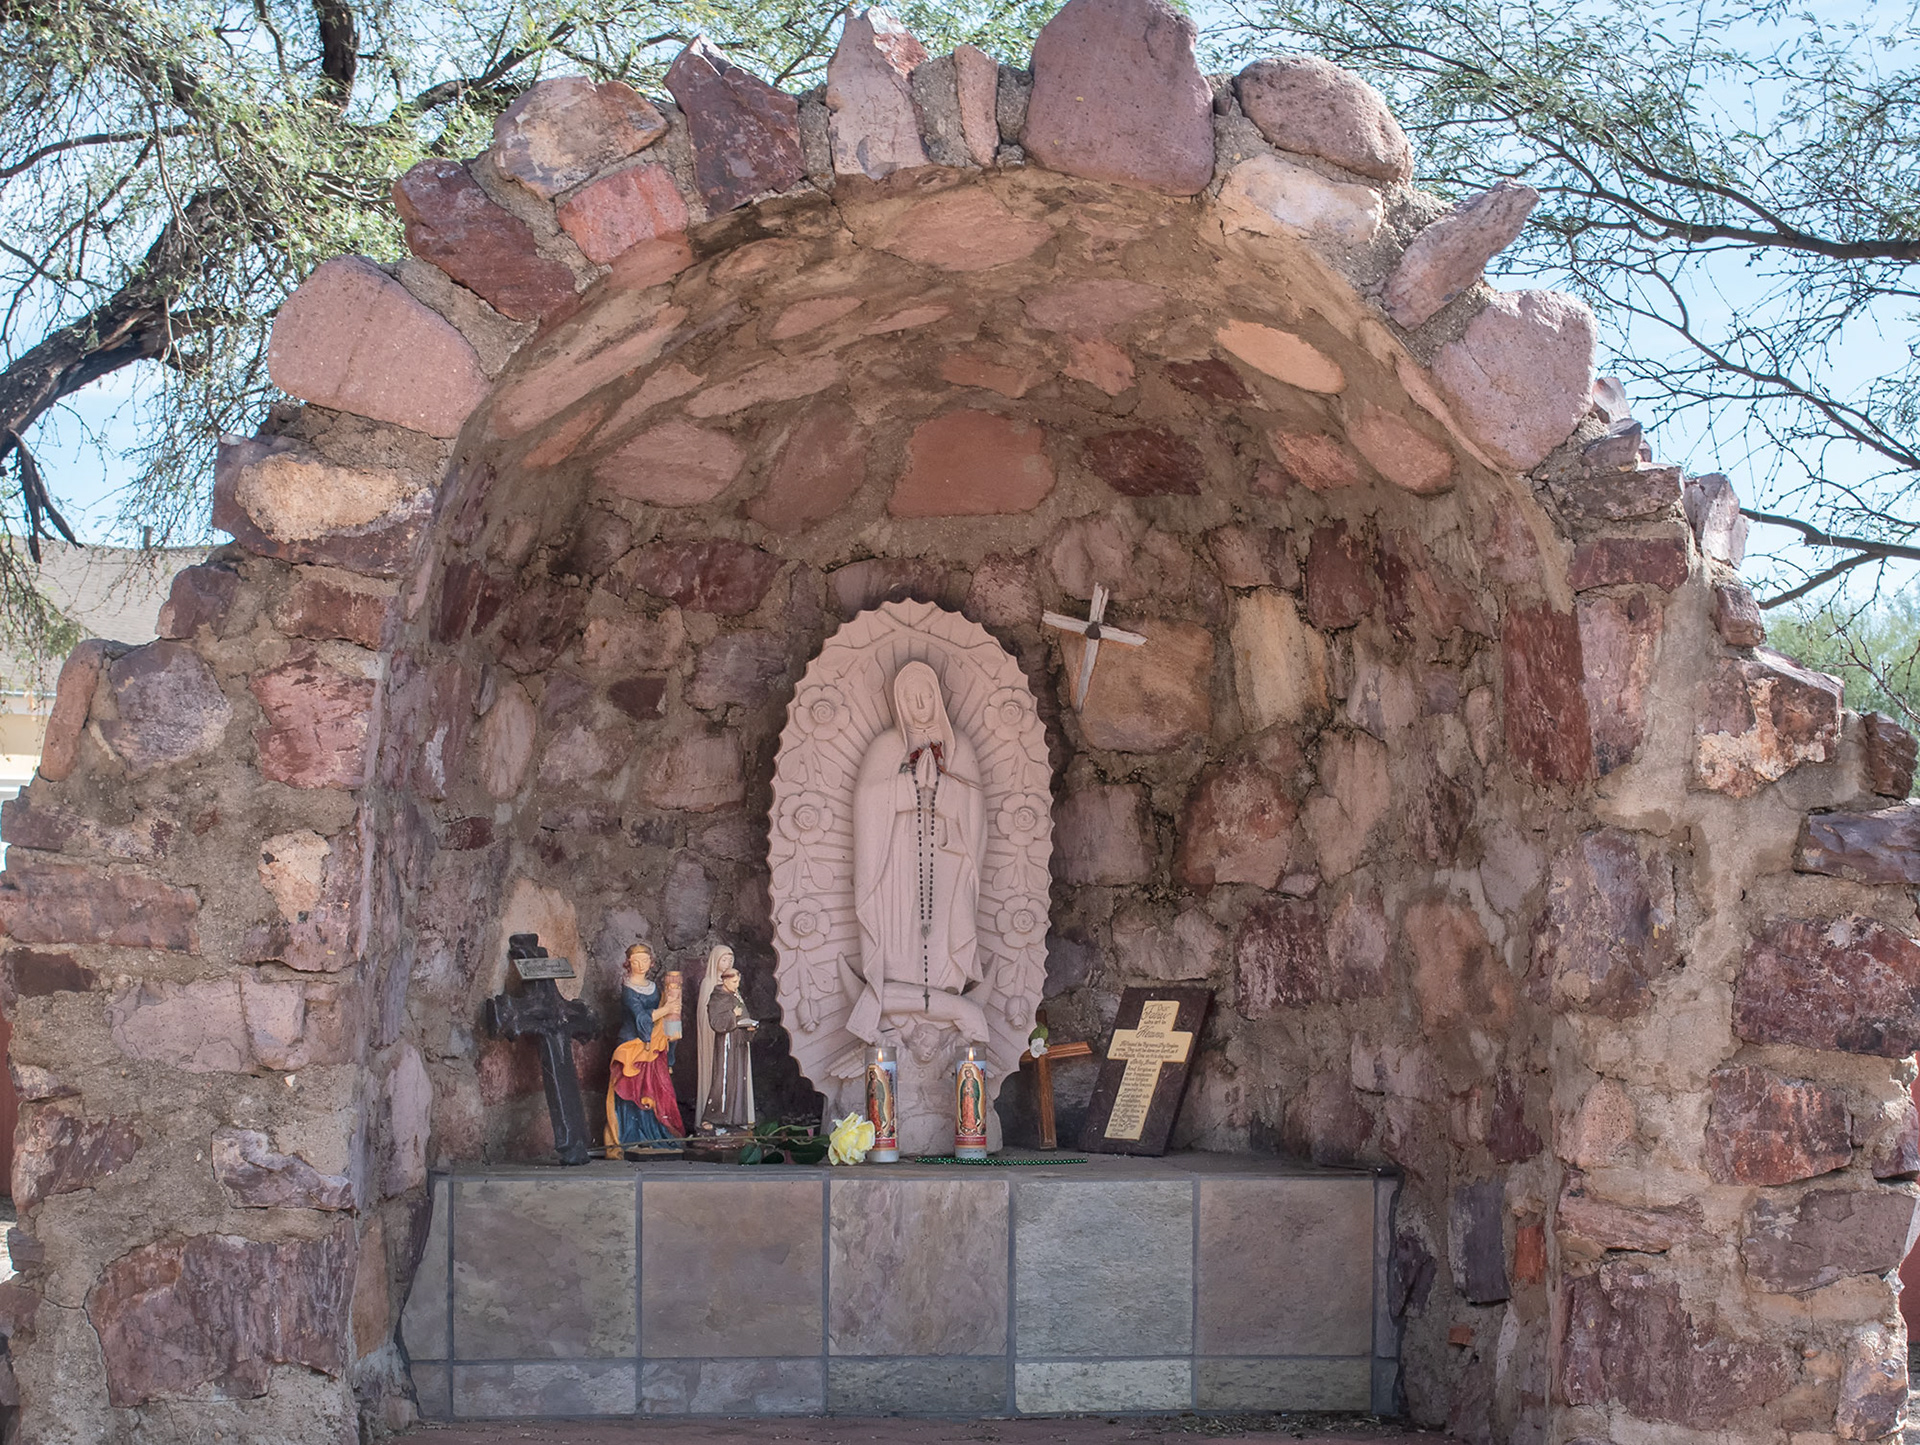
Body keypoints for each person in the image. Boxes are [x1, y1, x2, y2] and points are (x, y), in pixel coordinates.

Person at [849, 661, 988, 1045]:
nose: (921, 703)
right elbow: (866, 801)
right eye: (911, 698)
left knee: (944, 938)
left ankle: (933, 1005)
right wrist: (908, 788)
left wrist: (944, 791)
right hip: (897, 861)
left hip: (946, 858)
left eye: (927, 695)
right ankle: (905, 1009)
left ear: (938, 697)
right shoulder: (885, 747)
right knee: (899, 940)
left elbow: (976, 808)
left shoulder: (960, 747)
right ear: (900, 704)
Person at [604, 942, 684, 1154]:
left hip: (654, 1046)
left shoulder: (653, 988)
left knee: (655, 1090)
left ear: (651, 962)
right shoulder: (628, 990)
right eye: (636, 961)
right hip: (632, 1046)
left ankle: (653, 1134)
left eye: (645, 960)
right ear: (628, 963)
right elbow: (641, 1018)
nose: (641, 965)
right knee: (634, 1091)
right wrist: (666, 1008)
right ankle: (632, 1136)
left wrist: (670, 1004)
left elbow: (662, 1016)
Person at [697, 945, 757, 1131]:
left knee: (737, 1079)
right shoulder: (710, 985)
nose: (728, 962)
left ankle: (735, 1116)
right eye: (724, 959)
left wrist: (748, 1026)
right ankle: (714, 1117)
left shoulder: (734, 991)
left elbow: (742, 1012)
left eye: (730, 959)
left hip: (737, 1039)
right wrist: (732, 1016)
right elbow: (707, 1015)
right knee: (721, 1078)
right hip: (720, 1039)